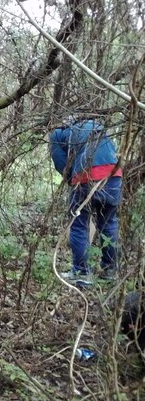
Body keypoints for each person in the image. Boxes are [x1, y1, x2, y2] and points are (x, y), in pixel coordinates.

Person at [50, 117, 122, 283]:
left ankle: (81, 272)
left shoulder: (56, 134)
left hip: (86, 175)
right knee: (109, 223)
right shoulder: (97, 125)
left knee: (79, 224)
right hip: (114, 174)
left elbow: (60, 162)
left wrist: (72, 180)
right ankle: (110, 270)